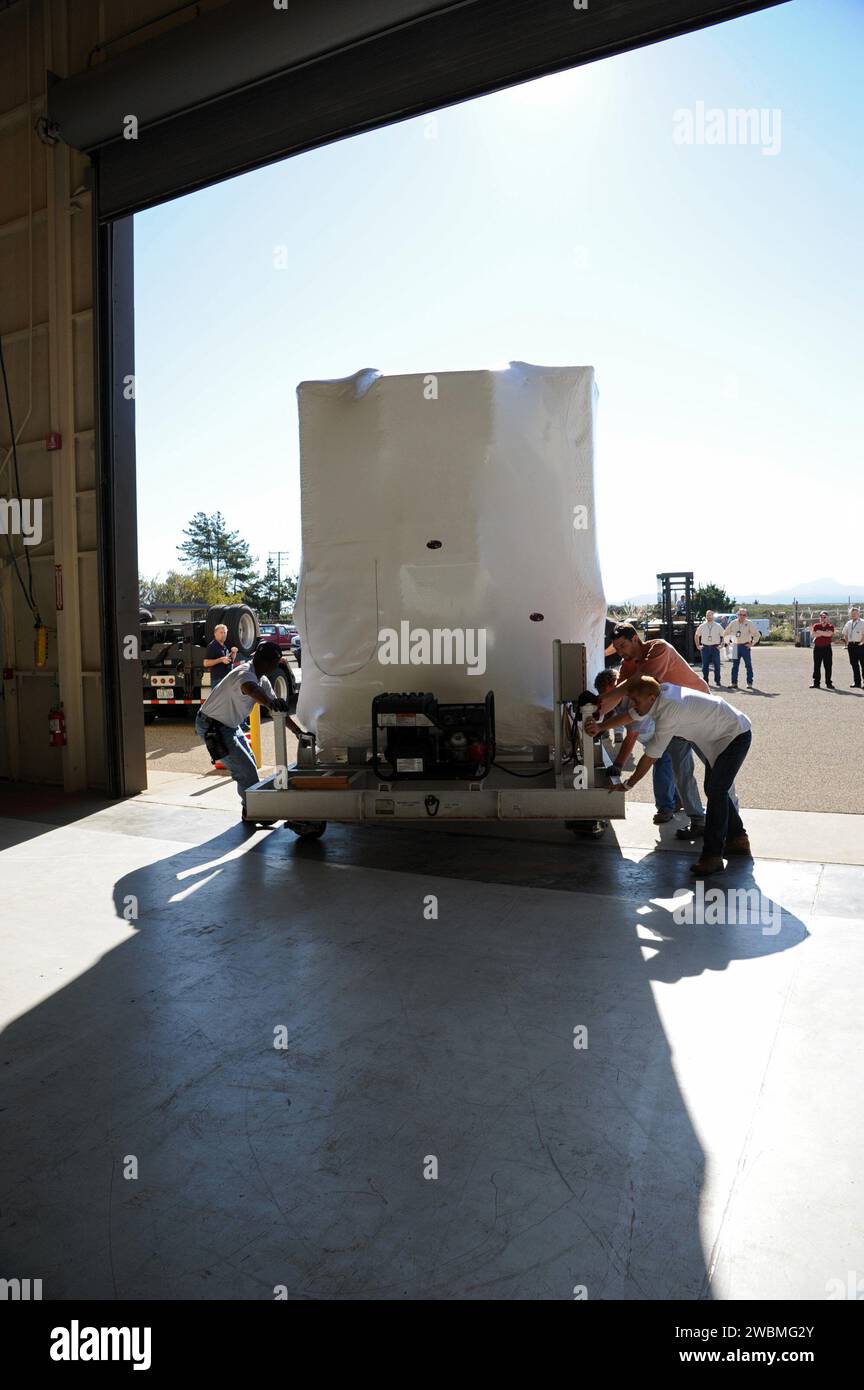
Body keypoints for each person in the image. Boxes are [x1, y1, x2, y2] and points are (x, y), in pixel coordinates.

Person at [614, 675, 752, 876]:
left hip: (735, 735)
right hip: (719, 739)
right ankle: (738, 839)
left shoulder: (669, 710)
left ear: (651, 698)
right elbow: (631, 715)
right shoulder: (657, 697)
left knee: (716, 790)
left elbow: (651, 755)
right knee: (714, 789)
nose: (633, 705)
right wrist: (600, 727)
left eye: (636, 701)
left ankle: (713, 855)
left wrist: (628, 784)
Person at [590, 624, 710, 840]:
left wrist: (599, 704)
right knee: (681, 773)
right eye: (616, 648)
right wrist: (596, 716)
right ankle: (699, 822)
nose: (620, 652)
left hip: (700, 714)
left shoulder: (659, 648)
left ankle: (733, 826)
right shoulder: (628, 666)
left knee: (716, 770)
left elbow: (638, 684)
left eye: (623, 645)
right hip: (674, 721)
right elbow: (620, 695)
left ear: (636, 638)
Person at [195, 640, 302, 805]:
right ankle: (255, 810)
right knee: (246, 773)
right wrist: (269, 702)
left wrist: (298, 732)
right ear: (270, 664)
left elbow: (277, 711)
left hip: (229, 725)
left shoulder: (262, 680)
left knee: (249, 765)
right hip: (212, 726)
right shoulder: (245, 673)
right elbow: (250, 689)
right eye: (275, 664)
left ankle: (250, 808)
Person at [595, 669, 677, 823]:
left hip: (664, 737)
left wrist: (618, 764)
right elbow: (610, 712)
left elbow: (631, 736)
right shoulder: (621, 699)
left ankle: (665, 808)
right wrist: (600, 726)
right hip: (653, 738)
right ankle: (676, 801)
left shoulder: (637, 699)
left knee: (662, 768)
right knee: (670, 771)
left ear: (619, 687)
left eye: (611, 694)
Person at [723, 608, 761, 688]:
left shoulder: (749, 623)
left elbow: (757, 634)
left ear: (746, 616)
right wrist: (728, 642)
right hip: (735, 646)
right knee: (734, 666)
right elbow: (725, 633)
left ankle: (749, 683)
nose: (742, 616)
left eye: (744, 615)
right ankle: (734, 683)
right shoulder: (733, 623)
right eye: (740, 614)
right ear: (738, 615)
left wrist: (752, 643)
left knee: (748, 665)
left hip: (745, 646)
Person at [695, 609, 724, 689]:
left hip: (715, 648)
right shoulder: (702, 626)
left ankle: (717, 681)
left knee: (717, 665)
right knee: (705, 666)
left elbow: (723, 635)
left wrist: (721, 645)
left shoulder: (718, 626)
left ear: (713, 616)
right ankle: (705, 681)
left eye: (710, 615)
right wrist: (698, 645)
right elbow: (697, 635)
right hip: (705, 648)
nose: (709, 617)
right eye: (707, 615)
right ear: (706, 616)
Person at [203, 623, 237, 688]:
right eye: (221, 632)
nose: (223, 635)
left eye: (225, 633)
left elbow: (230, 660)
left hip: (226, 679)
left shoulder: (224, 646)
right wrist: (220, 660)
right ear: (215, 634)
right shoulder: (212, 646)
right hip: (218, 680)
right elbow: (206, 663)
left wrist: (233, 653)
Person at [810, 612, 835, 689]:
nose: (822, 618)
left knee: (828, 666)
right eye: (821, 617)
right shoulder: (816, 625)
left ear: (827, 618)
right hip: (817, 648)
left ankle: (828, 683)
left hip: (827, 648)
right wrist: (824, 633)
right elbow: (813, 635)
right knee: (817, 666)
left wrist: (819, 632)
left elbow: (829, 634)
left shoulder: (830, 626)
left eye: (824, 617)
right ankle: (816, 683)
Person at [841, 607, 864, 688]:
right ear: (850, 614)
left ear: (858, 614)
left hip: (861, 645)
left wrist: (862, 642)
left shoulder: (862, 622)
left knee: (863, 664)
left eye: (855, 613)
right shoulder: (848, 623)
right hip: (851, 646)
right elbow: (845, 633)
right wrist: (847, 642)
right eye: (852, 613)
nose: (854, 615)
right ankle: (857, 682)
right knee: (854, 664)